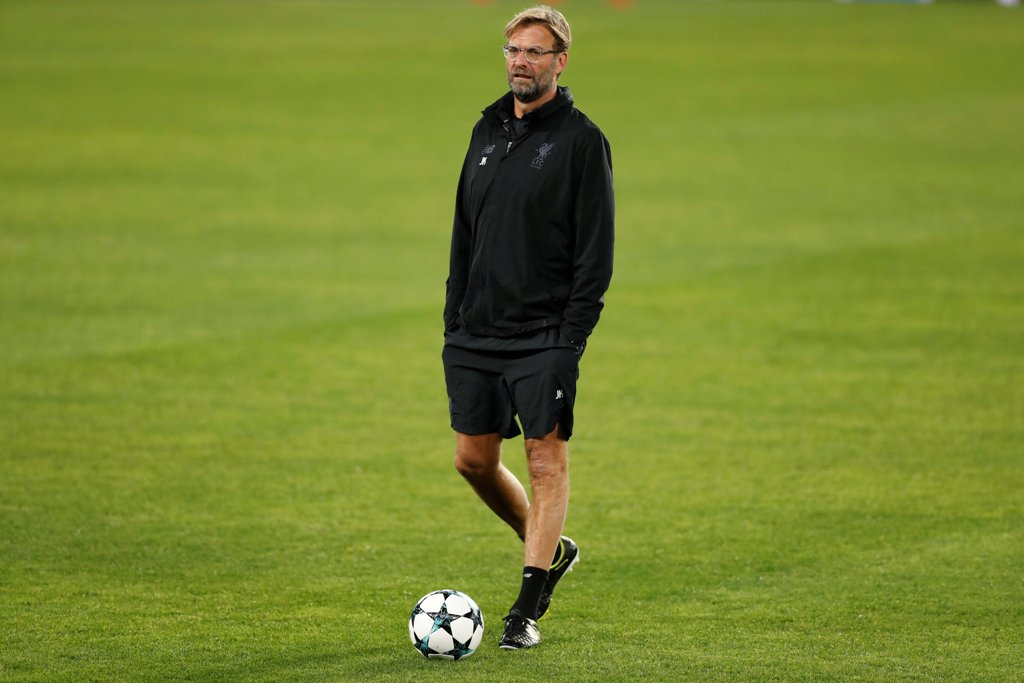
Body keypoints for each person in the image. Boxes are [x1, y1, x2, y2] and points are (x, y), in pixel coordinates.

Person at [441, 5, 614, 650]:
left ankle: (527, 606)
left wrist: (571, 340)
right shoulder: (487, 128)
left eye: (535, 52)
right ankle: (549, 546)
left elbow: (596, 253)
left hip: (544, 334)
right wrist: (454, 310)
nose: (520, 61)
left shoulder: (580, 141)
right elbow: (465, 228)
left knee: (545, 461)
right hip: (475, 330)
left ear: (559, 62)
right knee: (472, 460)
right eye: (513, 49)